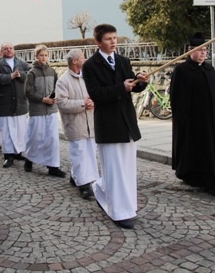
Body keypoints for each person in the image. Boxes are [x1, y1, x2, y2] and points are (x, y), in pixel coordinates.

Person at [82, 23, 148, 229]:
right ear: (98, 42)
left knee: (127, 170)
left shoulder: (123, 61)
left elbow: (133, 87)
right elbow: (97, 94)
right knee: (113, 170)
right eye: (109, 39)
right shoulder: (90, 66)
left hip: (127, 122)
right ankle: (118, 212)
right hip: (108, 124)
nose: (113, 42)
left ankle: (126, 206)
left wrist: (141, 82)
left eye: (115, 38)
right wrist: (122, 87)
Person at [170, 33, 215, 198]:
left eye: (205, 50)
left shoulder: (209, 69)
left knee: (211, 149)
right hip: (192, 121)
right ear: (190, 51)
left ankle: (212, 181)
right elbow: (176, 97)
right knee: (194, 148)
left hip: (211, 120)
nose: (203, 53)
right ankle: (194, 177)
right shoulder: (181, 70)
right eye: (200, 50)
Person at [56, 49, 98, 200]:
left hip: (90, 123)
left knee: (91, 153)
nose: (86, 59)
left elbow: (94, 94)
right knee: (79, 154)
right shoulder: (63, 81)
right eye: (83, 57)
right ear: (74, 61)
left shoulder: (87, 77)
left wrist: (94, 101)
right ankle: (84, 185)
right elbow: (61, 103)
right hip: (75, 124)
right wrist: (82, 104)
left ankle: (77, 176)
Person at [23, 45, 65, 177]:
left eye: (46, 55)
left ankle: (53, 166)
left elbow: (57, 88)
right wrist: (42, 99)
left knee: (52, 138)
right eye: (41, 55)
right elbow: (28, 92)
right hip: (37, 110)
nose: (44, 58)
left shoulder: (52, 71)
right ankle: (29, 158)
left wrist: (54, 98)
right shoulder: (32, 73)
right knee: (35, 137)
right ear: (36, 56)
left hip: (51, 110)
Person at [0, 42, 31, 168]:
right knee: (6, 130)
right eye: (6, 49)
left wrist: (21, 75)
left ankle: (18, 152)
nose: (9, 50)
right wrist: (9, 77)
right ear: (1, 51)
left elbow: (31, 74)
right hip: (5, 103)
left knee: (20, 129)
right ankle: (8, 155)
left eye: (11, 48)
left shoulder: (21, 63)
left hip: (20, 102)